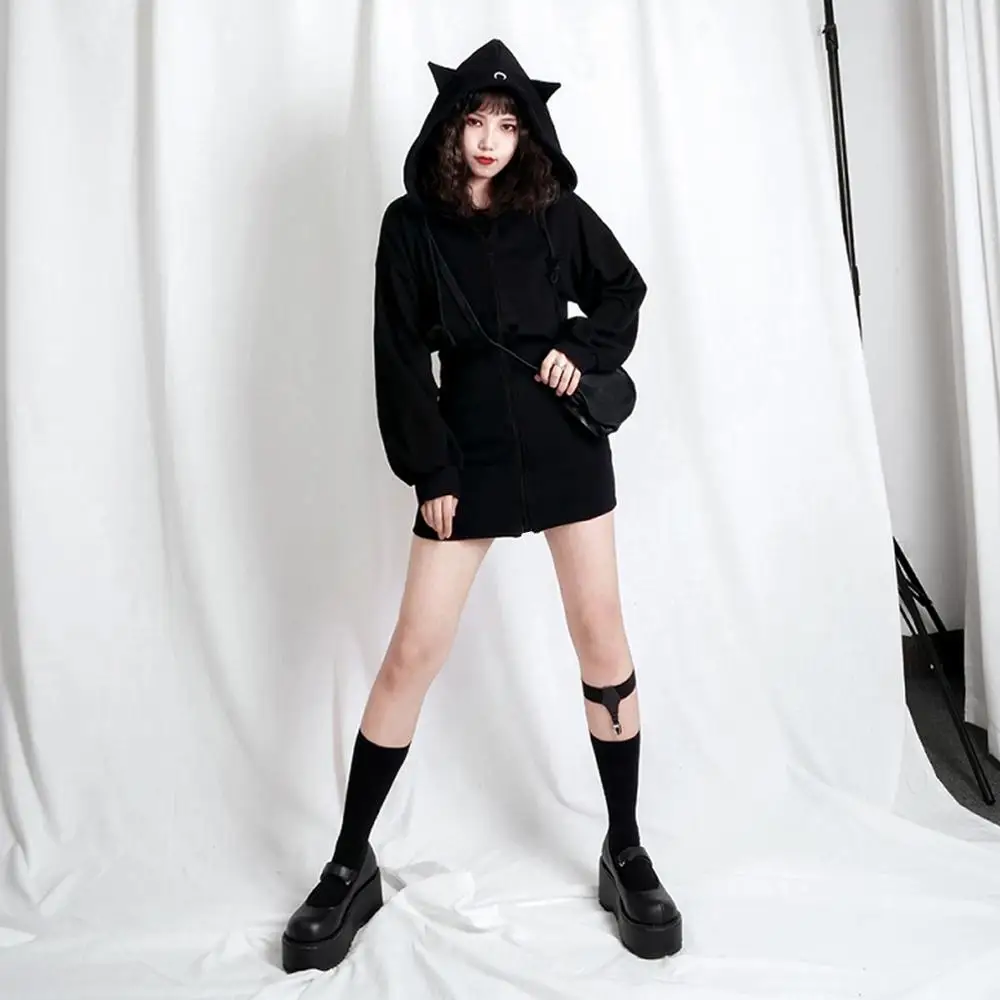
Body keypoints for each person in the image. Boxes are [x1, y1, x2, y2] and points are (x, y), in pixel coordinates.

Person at [282, 38, 681, 972]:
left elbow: (622, 290)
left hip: (564, 446)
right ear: (450, 126)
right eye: (475, 119)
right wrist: (433, 472)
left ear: (526, 131)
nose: (491, 138)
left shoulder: (555, 212)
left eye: (507, 122)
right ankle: (349, 862)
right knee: (412, 651)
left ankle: (625, 845)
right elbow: (396, 357)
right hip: (466, 458)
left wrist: (579, 350)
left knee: (602, 636)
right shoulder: (410, 226)